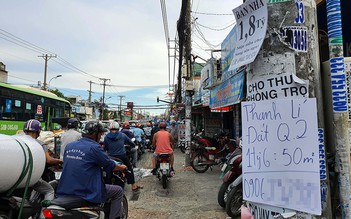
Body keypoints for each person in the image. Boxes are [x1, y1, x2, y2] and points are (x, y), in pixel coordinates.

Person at [56, 121, 127, 219]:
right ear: (95, 134)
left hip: (65, 189)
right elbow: (109, 165)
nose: (101, 136)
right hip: (86, 191)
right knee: (118, 191)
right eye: (100, 134)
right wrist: (122, 167)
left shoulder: (70, 146)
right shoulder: (94, 147)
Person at [23, 119, 63, 202]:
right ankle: (43, 214)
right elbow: (48, 160)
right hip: (31, 175)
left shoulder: (20, 141)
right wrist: (60, 161)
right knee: (49, 190)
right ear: (37, 132)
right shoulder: (40, 144)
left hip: (19, 174)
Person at [104, 122, 142, 192]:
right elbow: (131, 143)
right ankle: (133, 185)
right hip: (122, 157)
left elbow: (105, 148)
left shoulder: (106, 137)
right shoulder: (122, 135)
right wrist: (133, 145)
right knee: (129, 168)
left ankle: (107, 186)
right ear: (118, 128)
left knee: (107, 170)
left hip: (111, 158)